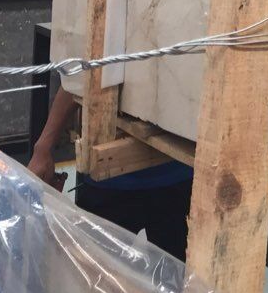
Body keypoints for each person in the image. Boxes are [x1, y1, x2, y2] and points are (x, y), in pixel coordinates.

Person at [29, 85, 193, 260]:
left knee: (180, 272)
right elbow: (77, 79)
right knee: (93, 268)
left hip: (178, 179)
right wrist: (43, 148)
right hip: (109, 179)